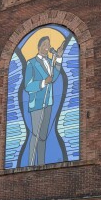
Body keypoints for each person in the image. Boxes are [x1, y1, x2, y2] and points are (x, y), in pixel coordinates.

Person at [24, 35, 65, 166]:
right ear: (39, 47)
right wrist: (43, 82)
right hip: (36, 104)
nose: (47, 47)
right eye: (44, 44)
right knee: (35, 135)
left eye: (48, 44)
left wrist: (58, 57)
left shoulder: (49, 61)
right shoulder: (31, 63)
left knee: (43, 136)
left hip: (48, 103)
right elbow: (28, 86)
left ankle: (41, 164)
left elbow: (54, 76)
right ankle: (30, 163)